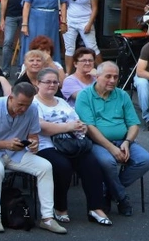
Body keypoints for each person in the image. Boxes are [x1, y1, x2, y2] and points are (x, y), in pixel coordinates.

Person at [0, 83, 67, 234]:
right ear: (10, 98)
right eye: (20, 104)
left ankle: (47, 218)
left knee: (45, 167)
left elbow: (33, 135)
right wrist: (5, 144)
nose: (24, 109)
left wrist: (33, 144)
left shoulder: (32, 109)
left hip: (16, 153)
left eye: (27, 105)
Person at [76, 61, 149, 217]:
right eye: (108, 76)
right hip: (97, 142)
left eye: (115, 77)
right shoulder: (84, 96)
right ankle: (122, 198)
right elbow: (90, 128)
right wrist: (111, 148)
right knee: (108, 162)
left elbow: (133, 125)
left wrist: (127, 142)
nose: (112, 80)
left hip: (123, 141)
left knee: (146, 160)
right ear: (97, 77)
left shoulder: (122, 95)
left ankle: (109, 191)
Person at [33, 68, 109, 226]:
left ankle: (96, 208)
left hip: (71, 143)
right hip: (46, 145)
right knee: (63, 167)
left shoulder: (61, 101)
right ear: (37, 83)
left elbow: (76, 120)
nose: (52, 85)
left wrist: (81, 127)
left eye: (55, 82)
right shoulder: (34, 103)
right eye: (47, 82)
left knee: (92, 164)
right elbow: (42, 127)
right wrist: (68, 127)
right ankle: (59, 208)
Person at [20, 0, 61, 65]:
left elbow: (63, 3)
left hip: (52, 18)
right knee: (35, 43)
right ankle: (32, 66)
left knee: (51, 43)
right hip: (35, 19)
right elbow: (27, 4)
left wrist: (64, 21)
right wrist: (24, 24)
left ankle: (51, 67)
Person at [61, 0, 99, 73]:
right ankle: (68, 73)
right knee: (69, 49)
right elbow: (64, 3)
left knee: (92, 47)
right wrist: (63, 20)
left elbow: (95, 8)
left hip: (85, 21)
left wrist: (90, 23)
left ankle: (101, 71)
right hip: (70, 21)